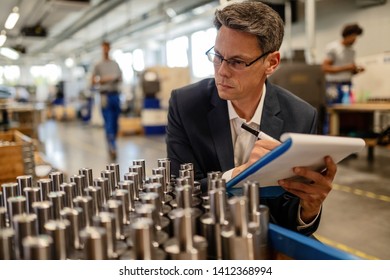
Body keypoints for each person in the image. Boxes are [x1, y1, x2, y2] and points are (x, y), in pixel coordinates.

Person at [166, 1, 337, 236]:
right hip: (206, 234)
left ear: (271, 63)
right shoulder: (186, 105)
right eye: (217, 56)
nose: (222, 71)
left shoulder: (301, 117)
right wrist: (241, 174)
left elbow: (290, 212)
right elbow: (180, 191)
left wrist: (309, 208)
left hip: (266, 236)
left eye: (237, 62)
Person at [91, 41, 122, 160]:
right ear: (101, 49)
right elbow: (93, 81)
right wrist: (105, 79)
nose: (105, 50)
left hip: (115, 96)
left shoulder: (115, 64)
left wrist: (115, 78)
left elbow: (120, 77)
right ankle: (112, 146)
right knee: (108, 122)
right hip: (105, 97)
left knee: (115, 123)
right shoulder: (98, 65)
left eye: (107, 48)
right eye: (103, 48)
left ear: (109, 48)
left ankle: (112, 141)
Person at [322, 23, 364, 104]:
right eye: (354, 36)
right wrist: (346, 67)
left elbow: (350, 71)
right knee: (333, 110)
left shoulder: (352, 51)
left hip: (347, 84)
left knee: (347, 111)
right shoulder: (333, 48)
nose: (355, 40)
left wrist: (356, 70)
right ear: (347, 35)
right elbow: (325, 68)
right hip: (334, 85)